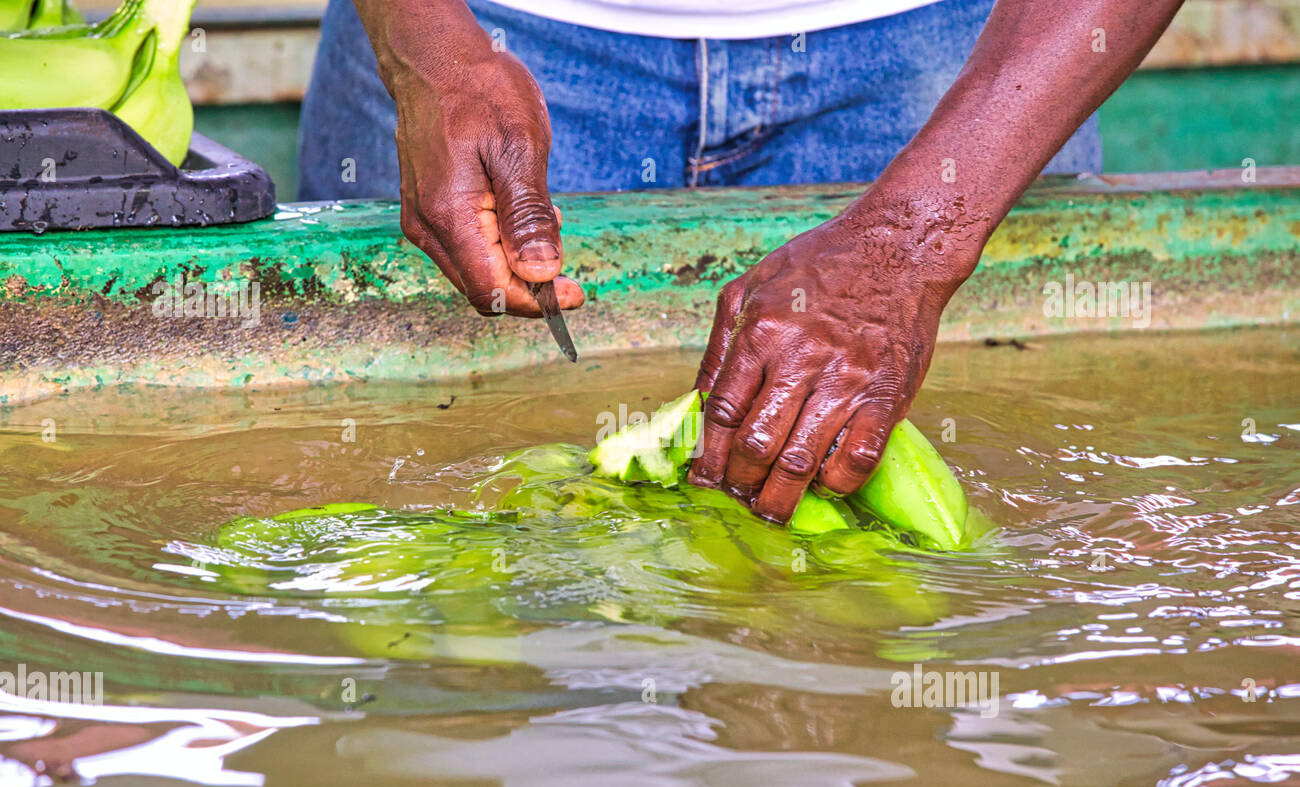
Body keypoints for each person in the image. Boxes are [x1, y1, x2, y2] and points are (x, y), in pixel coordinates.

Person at [298, 0, 1183, 524]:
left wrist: (914, 239)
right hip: (471, 36)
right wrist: (430, 58)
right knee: (421, 531)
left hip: (968, 64)